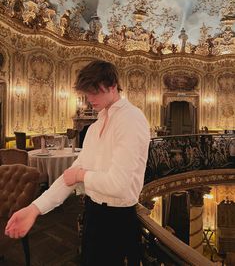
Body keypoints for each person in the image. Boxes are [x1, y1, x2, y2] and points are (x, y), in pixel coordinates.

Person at [5, 60, 150, 266]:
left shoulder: (131, 119)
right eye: (86, 93)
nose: (89, 99)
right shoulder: (94, 127)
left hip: (118, 221)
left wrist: (81, 176)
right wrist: (34, 209)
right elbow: (69, 176)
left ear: (112, 86)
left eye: (94, 92)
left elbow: (119, 185)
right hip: (93, 215)